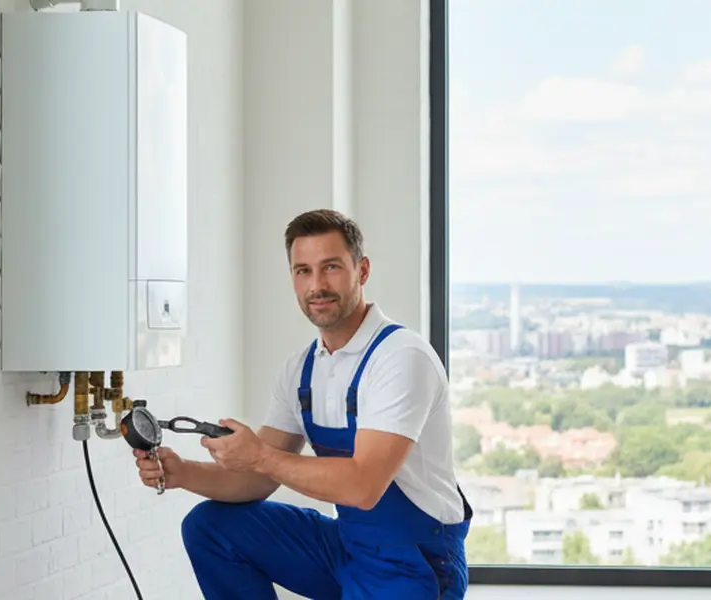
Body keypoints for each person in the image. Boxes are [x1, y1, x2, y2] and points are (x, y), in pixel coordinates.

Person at [133, 209, 473, 599]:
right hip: (349, 546)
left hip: (416, 561)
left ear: (362, 270)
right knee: (210, 526)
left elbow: (363, 487)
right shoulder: (302, 369)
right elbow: (257, 479)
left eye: (331, 267)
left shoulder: (400, 357)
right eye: (303, 271)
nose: (317, 285)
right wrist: (182, 473)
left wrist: (259, 455)